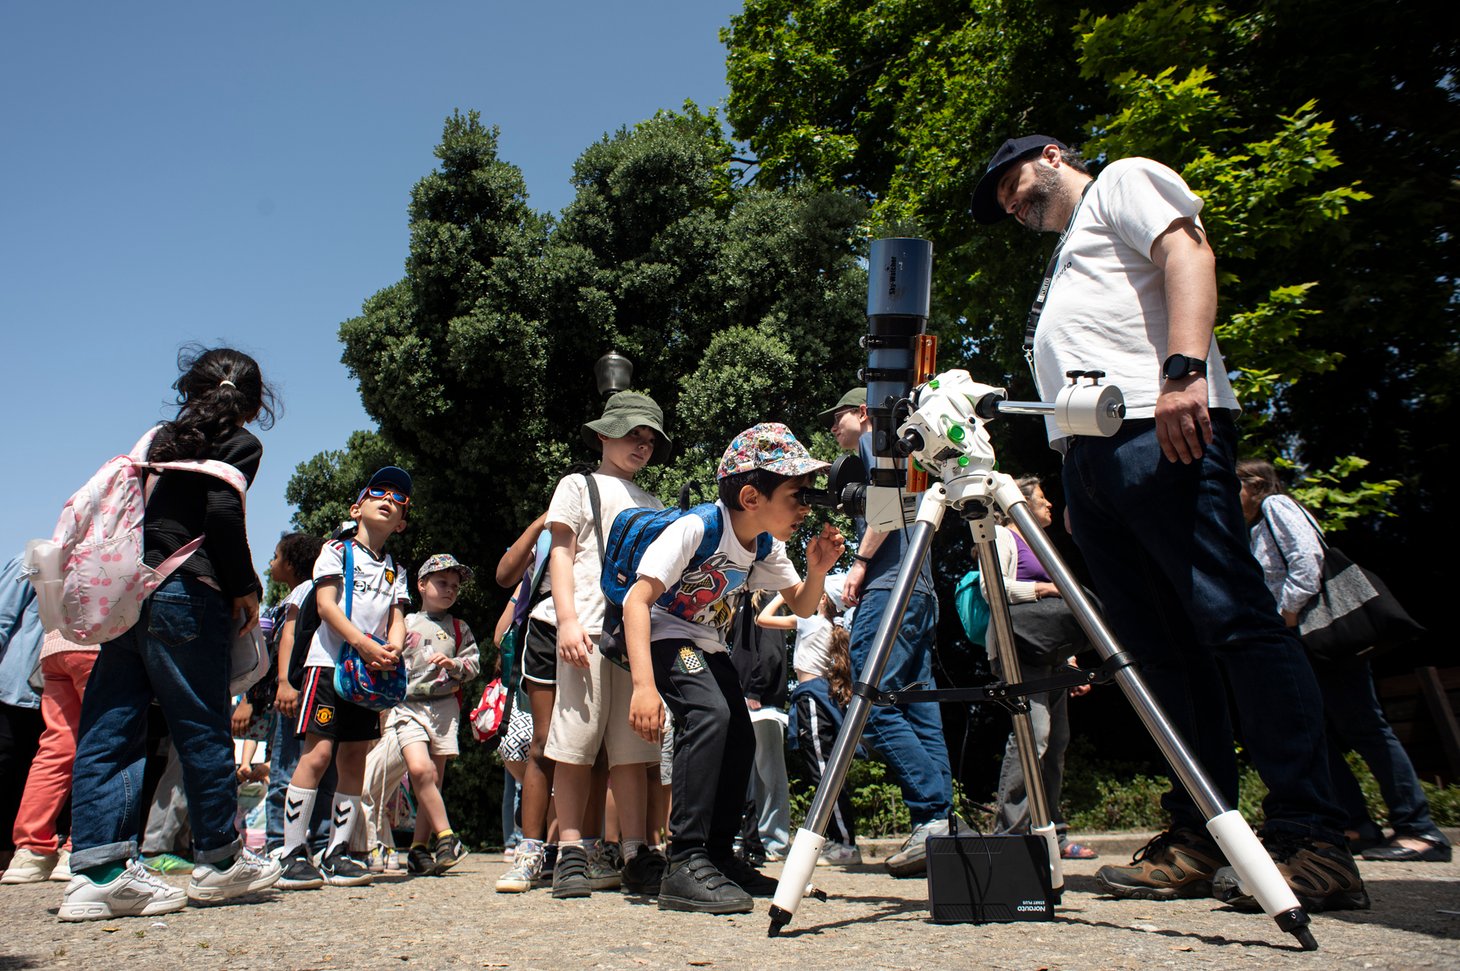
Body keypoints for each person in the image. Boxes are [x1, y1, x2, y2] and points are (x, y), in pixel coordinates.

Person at [972, 135, 1366, 912]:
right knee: (1157, 654)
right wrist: (1076, 475)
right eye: (1001, 205)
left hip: (1161, 424)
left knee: (1235, 622)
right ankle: (1203, 830)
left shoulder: (1121, 181)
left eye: (1008, 184)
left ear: (1051, 155)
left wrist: (1184, 370)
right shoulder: (1068, 255)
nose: (1009, 205)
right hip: (1093, 458)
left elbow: (1188, 253)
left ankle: (1313, 835)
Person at [59, 346, 282, 921]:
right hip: (187, 592)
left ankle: (98, 872)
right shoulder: (241, 442)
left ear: (189, 390)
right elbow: (222, 515)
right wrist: (245, 586)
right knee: (202, 726)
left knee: (110, 725)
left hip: (130, 591)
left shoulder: (157, 439)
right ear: (254, 405)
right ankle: (220, 859)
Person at [625, 422, 845, 914]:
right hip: (666, 635)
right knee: (710, 715)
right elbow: (637, 601)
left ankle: (719, 856)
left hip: (707, 644)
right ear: (751, 497)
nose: (807, 508)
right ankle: (684, 860)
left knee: (740, 735)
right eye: (797, 495)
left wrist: (817, 571)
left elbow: (803, 606)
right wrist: (643, 686)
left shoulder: (765, 544)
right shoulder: (698, 528)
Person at [1237, 459, 1451, 863]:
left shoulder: (1276, 506)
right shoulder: (1254, 526)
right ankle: (1357, 824)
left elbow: (1307, 560)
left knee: (1366, 727)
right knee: (1314, 734)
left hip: (1319, 635)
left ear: (1257, 484)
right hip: (1300, 640)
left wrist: (1286, 614)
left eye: (1235, 486)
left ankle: (1420, 829)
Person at [537, 391, 673, 900]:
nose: (642, 445)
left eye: (650, 439)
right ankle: (571, 850)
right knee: (574, 744)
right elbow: (562, 552)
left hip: (636, 638)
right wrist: (567, 620)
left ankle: (636, 852)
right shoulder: (578, 485)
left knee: (634, 751)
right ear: (602, 435)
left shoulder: (654, 503)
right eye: (631, 434)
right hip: (588, 631)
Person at [821, 388, 955, 877]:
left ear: (863, 411)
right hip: (920, 590)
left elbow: (888, 497)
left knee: (871, 701)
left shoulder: (874, 438)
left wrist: (859, 562)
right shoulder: (912, 447)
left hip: (888, 587)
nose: (832, 427)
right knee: (919, 708)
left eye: (836, 417)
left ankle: (933, 809)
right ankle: (939, 826)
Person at [276, 466, 413, 891]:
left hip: (367, 676)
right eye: (378, 492)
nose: (389, 500)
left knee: (354, 759)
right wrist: (363, 644)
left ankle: (338, 852)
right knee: (317, 756)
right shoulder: (335, 551)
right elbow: (327, 606)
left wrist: (391, 649)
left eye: (399, 499)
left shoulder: (396, 569)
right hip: (328, 665)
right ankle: (291, 852)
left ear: (402, 523)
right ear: (357, 508)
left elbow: (397, 618)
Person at [981, 476, 1095, 860]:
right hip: (1019, 651)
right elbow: (992, 588)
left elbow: (1057, 615)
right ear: (1020, 502)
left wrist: (1071, 659)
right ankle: (1010, 836)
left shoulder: (1043, 545)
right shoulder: (1001, 535)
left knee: (1057, 741)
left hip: (1053, 655)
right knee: (1034, 736)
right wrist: (1046, 588)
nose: (1049, 505)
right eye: (1042, 498)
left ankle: (1053, 834)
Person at [364, 553, 479, 876]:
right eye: (442, 582)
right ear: (422, 584)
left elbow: (473, 664)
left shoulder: (459, 627)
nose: (450, 590)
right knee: (419, 769)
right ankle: (448, 837)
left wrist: (453, 665)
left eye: (455, 585)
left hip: (444, 709)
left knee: (433, 782)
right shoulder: (404, 623)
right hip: (407, 706)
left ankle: (419, 848)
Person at [257, 533, 335, 859]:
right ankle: (297, 842)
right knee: (310, 768)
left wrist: (286, 682)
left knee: (288, 767)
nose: (271, 563)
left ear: (290, 564)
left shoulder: (305, 590)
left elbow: (287, 636)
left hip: (303, 691)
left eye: (276, 556)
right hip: (305, 689)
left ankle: (285, 841)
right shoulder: (310, 591)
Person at [2, 630, 95, 884]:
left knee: (56, 747)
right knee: (98, 743)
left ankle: (30, 851)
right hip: (98, 641)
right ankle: (80, 848)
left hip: (56, 644)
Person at [778, 592, 863, 866]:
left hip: (812, 698)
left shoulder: (809, 621)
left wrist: (782, 594)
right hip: (819, 696)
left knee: (824, 773)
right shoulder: (830, 627)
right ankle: (840, 840)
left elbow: (762, 618)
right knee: (826, 771)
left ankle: (846, 845)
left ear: (823, 599)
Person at [728, 590, 792, 864]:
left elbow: (771, 650)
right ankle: (749, 837)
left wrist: (756, 689)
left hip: (761, 703)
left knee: (770, 776)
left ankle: (774, 842)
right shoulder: (739, 602)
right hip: (742, 701)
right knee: (746, 777)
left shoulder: (765, 598)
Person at [0, 554, 46, 875]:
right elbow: (3, 617)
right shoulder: (31, 560)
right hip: (13, 687)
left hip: (51, 694)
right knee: (5, 767)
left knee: (29, 775)